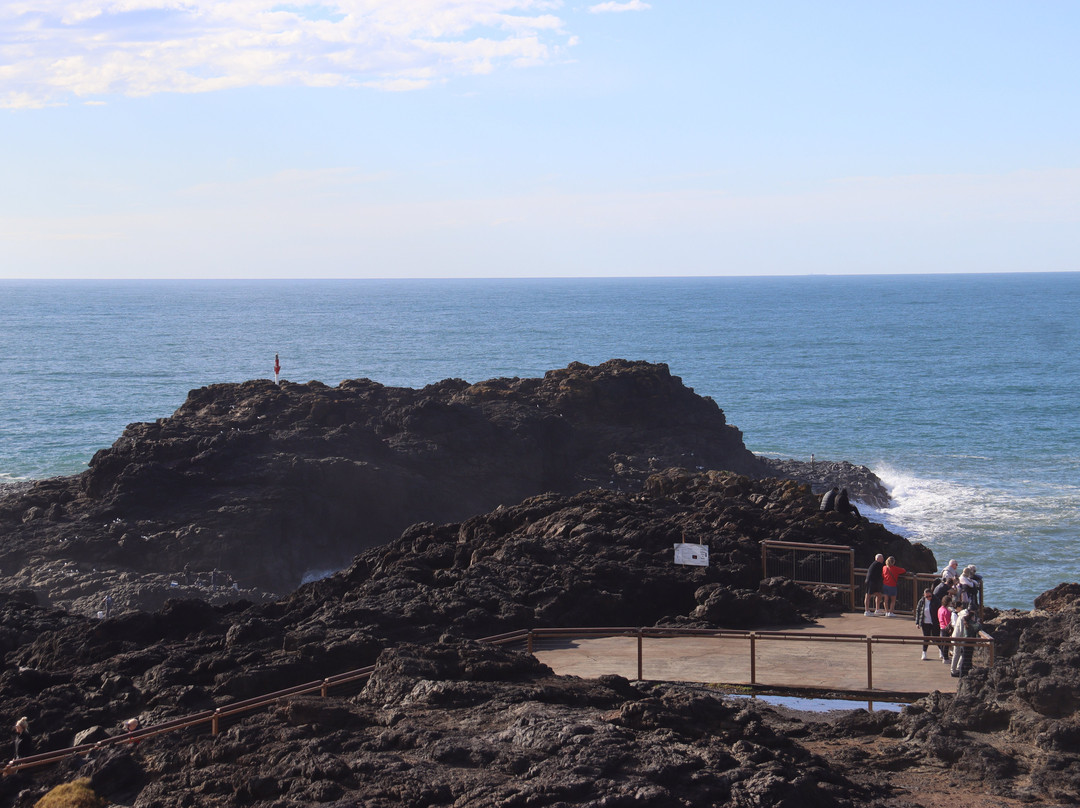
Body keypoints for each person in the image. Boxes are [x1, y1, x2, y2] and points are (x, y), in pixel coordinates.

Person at [915, 588, 940, 660]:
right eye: (927, 596)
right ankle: (924, 653)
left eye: (930, 596)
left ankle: (941, 651)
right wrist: (917, 622)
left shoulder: (936, 600)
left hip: (934, 622)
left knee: (936, 638)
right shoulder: (922, 601)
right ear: (924, 595)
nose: (928, 598)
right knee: (926, 638)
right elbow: (918, 611)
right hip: (925, 622)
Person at [937, 594, 955, 663]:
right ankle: (946, 658)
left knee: (943, 643)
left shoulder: (940, 609)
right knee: (946, 644)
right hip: (946, 628)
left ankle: (944, 656)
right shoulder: (946, 611)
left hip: (941, 627)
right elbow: (947, 622)